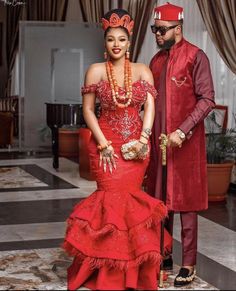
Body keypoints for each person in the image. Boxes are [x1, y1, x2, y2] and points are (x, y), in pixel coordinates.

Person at [63, 8, 171, 290]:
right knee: (109, 200)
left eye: (121, 39)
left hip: (136, 145)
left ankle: (133, 273)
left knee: (131, 203)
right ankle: (105, 272)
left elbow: (150, 107)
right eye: (111, 39)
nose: (116, 45)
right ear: (105, 42)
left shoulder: (142, 70)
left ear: (129, 40)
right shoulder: (96, 71)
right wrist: (102, 143)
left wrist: (145, 139)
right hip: (105, 142)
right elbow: (88, 111)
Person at [147, 2, 215, 287]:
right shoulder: (156, 61)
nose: (158, 35)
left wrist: (183, 131)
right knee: (159, 202)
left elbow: (207, 99)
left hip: (185, 146)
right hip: (158, 144)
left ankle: (188, 264)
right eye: (155, 30)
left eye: (162, 30)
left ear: (178, 28)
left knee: (186, 205)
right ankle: (164, 255)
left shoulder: (195, 57)